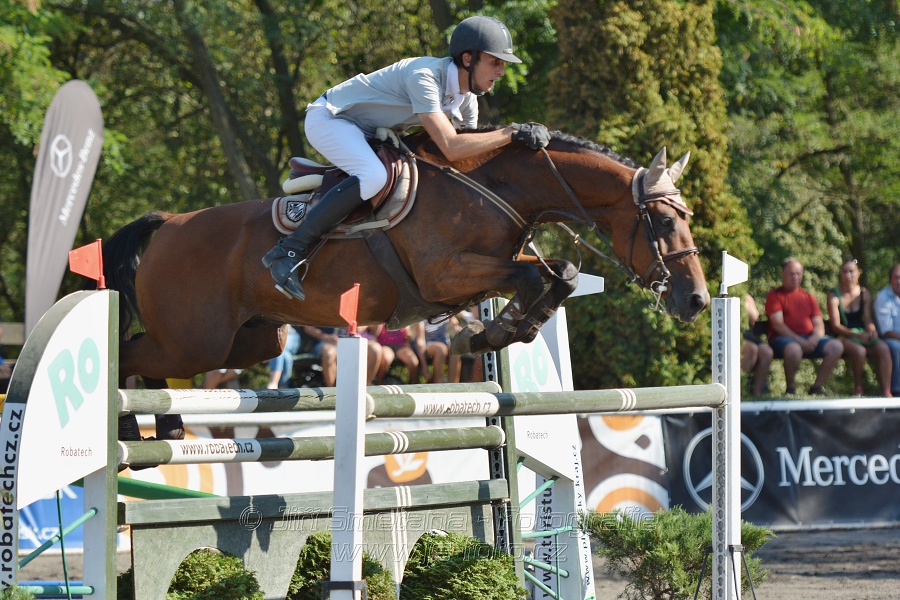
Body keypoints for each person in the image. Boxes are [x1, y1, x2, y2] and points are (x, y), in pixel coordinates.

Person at [262, 16, 550, 300]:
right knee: (375, 177)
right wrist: (511, 133)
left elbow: (470, 157)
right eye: (495, 62)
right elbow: (451, 146)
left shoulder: (467, 98)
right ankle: (288, 250)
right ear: (467, 59)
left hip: (369, 131)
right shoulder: (424, 76)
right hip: (330, 119)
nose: (501, 71)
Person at [765, 258, 843, 395]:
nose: (795, 277)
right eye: (791, 273)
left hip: (809, 339)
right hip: (783, 340)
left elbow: (818, 324)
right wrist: (800, 341)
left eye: (798, 273)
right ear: (783, 274)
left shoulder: (808, 297)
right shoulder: (775, 296)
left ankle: (817, 387)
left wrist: (814, 338)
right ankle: (791, 389)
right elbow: (778, 324)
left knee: (836, 346)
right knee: (794, 349)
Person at [826, 259, 892, 397]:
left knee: (884, 348)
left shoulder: (864, 294)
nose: (848, 275)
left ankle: (886, 390)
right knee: (860, 351)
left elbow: (868, 320)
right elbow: (836, 326)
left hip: (861, 333)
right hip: (844, 335)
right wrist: (856, 335)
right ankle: (858, 387)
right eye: (845, 272)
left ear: (858, 274)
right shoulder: (834, 296)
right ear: (840, 274)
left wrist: (872, 331)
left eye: (851, 271)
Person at [874, 263, 900, 397]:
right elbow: (886, 330)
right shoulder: (883, 297)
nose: (899, 281)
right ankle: (897, 391)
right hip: (889, 338)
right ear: (890, 280)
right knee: (897, 347)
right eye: (896, 277)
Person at [741, 294, 773, 396]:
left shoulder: (745, 296)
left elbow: (754, 316)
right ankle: (738, 392)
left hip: (748, 335)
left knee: (767, 352)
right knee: (752, 349)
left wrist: (744, 300)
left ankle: (757, 393)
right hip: (735, 335)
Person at [413, 319, 453, 384]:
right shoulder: (421, 315)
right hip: (427, 345)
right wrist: (424, 366)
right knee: (441, 349)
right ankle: (437, 385)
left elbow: (454, 324)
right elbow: (420, 340)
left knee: (455, 351)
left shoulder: (446, 311)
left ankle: (453, 385)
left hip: (445, 343)